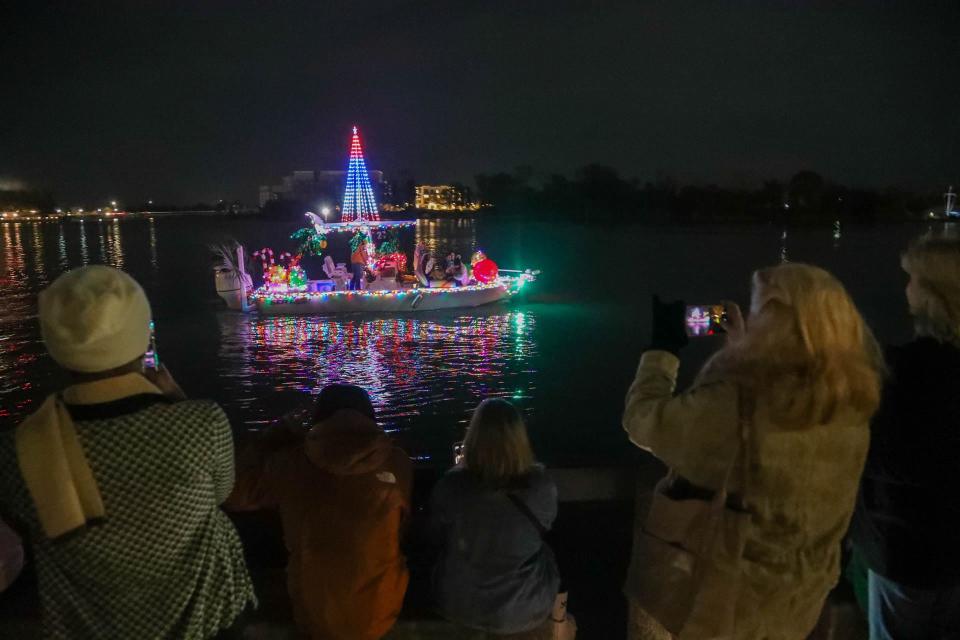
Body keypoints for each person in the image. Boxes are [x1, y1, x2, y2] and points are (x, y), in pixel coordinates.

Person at [622, 263, 883, 639]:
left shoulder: (739, 402)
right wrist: (744, 347)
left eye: (761, 312)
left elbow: (643, 422)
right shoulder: (852, 404)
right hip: (802, 597)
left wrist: (661, 351)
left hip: (730, 601)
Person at [0, 265, 255, 639]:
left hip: (95, 628)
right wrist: (179, 403)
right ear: (142, 338)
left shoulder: (18, 448)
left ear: (55, 343)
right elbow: (220, 493)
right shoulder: (202, 423)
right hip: (208, 620)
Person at [227, 384, 412, 640]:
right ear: (370, 417)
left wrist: (277, 434)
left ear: (318, 419)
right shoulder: (397, 462)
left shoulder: (291, 463)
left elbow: (236, 494)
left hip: (314, 615)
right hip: (379, 614)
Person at [851, 235, 960, 639]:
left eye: (912, 278)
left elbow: (889, 458)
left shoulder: (908, 372)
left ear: (934, 295)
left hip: (910, 555)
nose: (905, 288)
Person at [429, 399, 561, 637]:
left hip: (459, 605)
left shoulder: (452, 486)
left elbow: (435, 533)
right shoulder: (541, 487)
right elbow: (545, 527)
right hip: (525, 608)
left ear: (474, 437)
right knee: (546, 552)